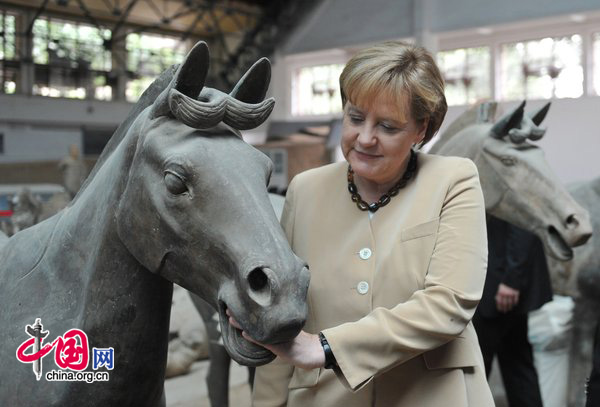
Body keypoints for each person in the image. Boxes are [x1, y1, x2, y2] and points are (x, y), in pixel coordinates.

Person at [229, 41, 494, 406]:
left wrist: (323, 347)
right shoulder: (305, 190)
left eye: (387, 126)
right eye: (355, 118)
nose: (365, 138)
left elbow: (448, 304)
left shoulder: (454, 180)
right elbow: (283, 314)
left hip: (432, 395)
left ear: (422, 128)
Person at [473, 215, 553, 407]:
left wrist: (511, 279)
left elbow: (522, 221)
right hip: (499, 279)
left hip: (499, 283)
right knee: (517, 366)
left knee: (477, 371)